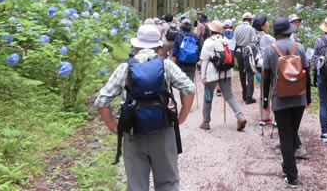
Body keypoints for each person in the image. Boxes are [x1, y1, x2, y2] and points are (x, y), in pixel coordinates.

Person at [96, 24, 195, 191]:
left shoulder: (125, 68)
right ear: (158, 47)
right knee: (168, 183)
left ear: (136, 47)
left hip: (134, 133)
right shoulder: (166, 65)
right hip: (164, 131)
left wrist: (113, 126)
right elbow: (189, 89)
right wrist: (181, 118)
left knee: (137, 186)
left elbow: (102, 100)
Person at [261, 17, 312, 189]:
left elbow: (266, 78)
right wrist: (309, 98)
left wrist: (265, 102)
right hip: (299, 98)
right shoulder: (300, 48)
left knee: (285, 136)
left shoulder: (269, 51)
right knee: (291, 133)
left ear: (276, 32)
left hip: (280, 99)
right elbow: (307, 73)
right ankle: (287, 167)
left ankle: (292, 176)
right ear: (289, 31)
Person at [199, 20, 247, 131]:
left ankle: (206, 122)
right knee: (229, 95)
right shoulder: (227, 40)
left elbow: (204, 60)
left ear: (211, 30)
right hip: (226, 72)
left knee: (208, 96)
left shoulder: (208, 42)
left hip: (212, 73)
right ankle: (240, 116)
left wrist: (203, 75)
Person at [233, 12, 256, 104]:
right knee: (250, 74)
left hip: (238, 52)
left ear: (243, 20)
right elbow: (253, 42)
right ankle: (249, 97)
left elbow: (233, 42)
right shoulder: (251, 29)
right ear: (250, 20)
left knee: (242, 74)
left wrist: (233, 54)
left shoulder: (237, 28)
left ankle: (244, 94)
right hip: (247, 52)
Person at [172, 17, 199, 84]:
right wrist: (196, 58)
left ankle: (183, 95)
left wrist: (173, 65)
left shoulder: (178, 36)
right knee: (191, 82)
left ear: (181, 26)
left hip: (180, 62)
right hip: (192, 62)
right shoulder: (195, 36)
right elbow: (200, 48)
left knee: (182, 83)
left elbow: (175, 52)